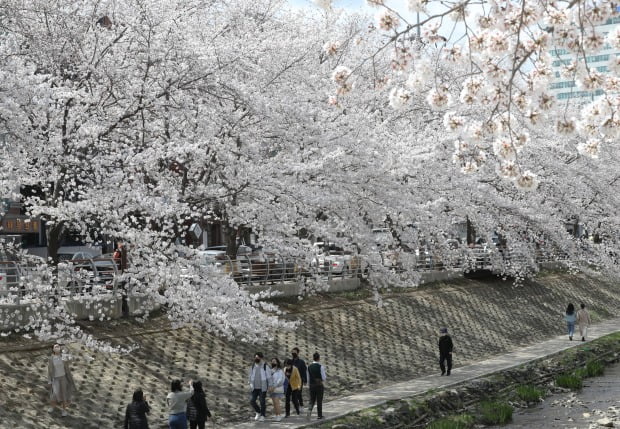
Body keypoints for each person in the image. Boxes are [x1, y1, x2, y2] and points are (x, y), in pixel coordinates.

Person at [47, 343, 76, 417]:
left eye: (58, 346)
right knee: (54, 394)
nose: (57, 348)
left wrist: (68, 355)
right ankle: (52, 407)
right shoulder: (51, 358)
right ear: (53, 349)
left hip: (63, 378)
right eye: (55, 347)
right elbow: (49, 370)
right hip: (55, 378)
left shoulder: (63, 357)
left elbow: (71, 360)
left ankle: (64, 410)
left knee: (64, 394)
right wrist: (49, 381)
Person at [248, 352, 271, 422]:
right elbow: (250, 375)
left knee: (262, 401)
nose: (256, 358)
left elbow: (269, 377)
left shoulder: (265, 366)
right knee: (252, 401)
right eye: (255, 357)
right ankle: (258, 412)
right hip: (254, 387)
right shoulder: (252, 366)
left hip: (262, 387)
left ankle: (263, 416)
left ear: (261, 358)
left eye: (258, 357)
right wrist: (249, 382)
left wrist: (270, 386)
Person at [306, 352, 326, 420]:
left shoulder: (309, 367)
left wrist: (310, 384)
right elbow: (323, 377)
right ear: (319, 358)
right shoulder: (321, 366)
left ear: (313, 358)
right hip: (319, 385)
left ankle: (309, 412)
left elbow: (308, 378)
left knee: (312, 400)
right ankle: (319, 415)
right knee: (319, 400)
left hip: (311, 385)